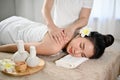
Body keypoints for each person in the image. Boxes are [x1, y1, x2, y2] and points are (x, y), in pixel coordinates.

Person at [0, 16, 114, 59]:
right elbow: (20, 47)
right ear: (80, 34)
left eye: (82, 55)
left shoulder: (69, 32)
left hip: (19, 20)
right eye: (81, 45)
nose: (76, 52)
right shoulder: (54, 47)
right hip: (6, 30)